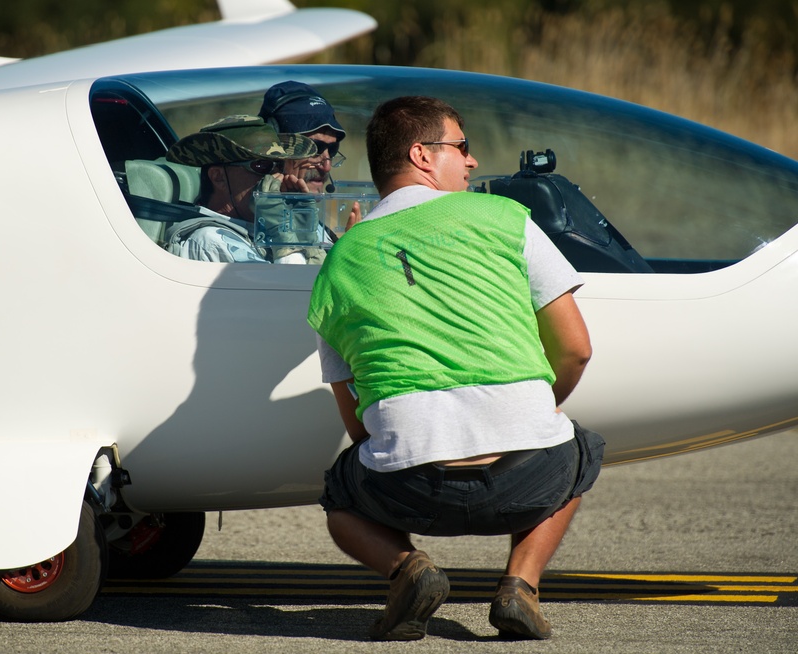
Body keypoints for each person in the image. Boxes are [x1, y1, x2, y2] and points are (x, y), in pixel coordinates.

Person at [306, 96, 605, 642]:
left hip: (409, 489)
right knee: (582, 451)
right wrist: (541, 406)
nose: (470, 162)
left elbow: (356, 426)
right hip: (528, 476)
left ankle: (409, 569)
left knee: (340, 496)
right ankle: (520, 586)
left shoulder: (340, 263)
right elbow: (577, 349)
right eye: (462, 147)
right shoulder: (506, 219)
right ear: (422, 155)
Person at [164, 115, 317, 263]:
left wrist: (305, 239)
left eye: (280, 166)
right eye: (262, 166)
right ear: (218, 177)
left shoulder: (258, 232)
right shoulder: (211, 242)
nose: (276, 176)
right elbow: (290, 287)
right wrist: (283, 235)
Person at [258, 81, 362, 263]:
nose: (326, 166)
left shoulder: (318, 226)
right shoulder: (235, 233)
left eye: (333, 149)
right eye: (313, 148)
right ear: (275, 150)